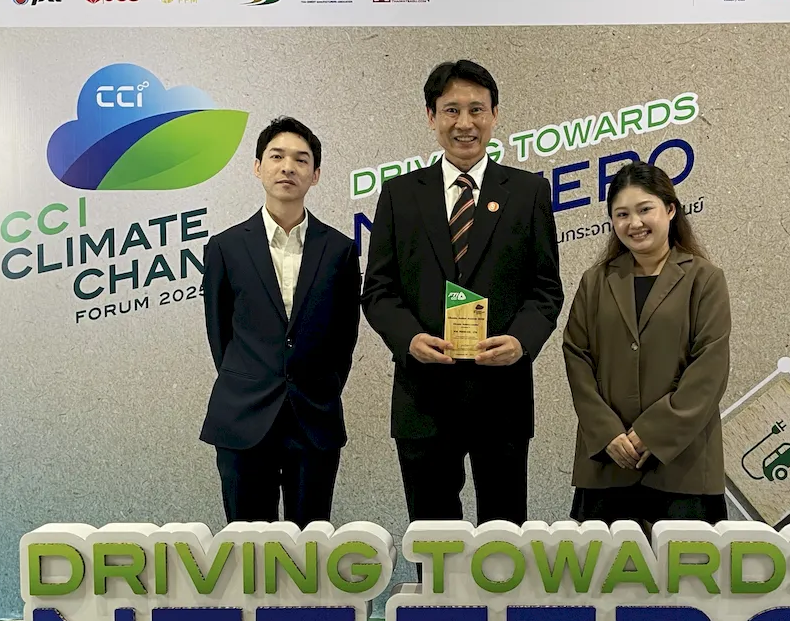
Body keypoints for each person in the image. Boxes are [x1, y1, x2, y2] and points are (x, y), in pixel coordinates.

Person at [362, 60, 564, 527]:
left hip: (502, 395)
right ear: (431, 117)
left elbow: (546, 288)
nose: (465, 123)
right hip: (423, 396)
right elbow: (378, 290)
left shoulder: (529, 192)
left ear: (495, 115)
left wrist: (521, 341)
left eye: (477, 109)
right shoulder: (399, 195)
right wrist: (410, 339)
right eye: (451, 110)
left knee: (504, 536)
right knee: (434, 538)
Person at [200, 116, 361, 527]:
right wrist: (252, 378)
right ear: (258, 167)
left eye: (301, 159)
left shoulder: (340, 250)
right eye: (276, 156)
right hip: (242, 418)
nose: (288, 167)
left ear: (315, 174)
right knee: (249, 550)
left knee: (310, 550)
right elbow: (220, 334)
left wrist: (318, 388)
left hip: (313, 419)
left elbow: (344, 338)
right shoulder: (225, 248)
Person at [562, 161, 731, 528]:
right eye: (622, 214)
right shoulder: (595, 281)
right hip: (608, 462)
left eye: (644, 209)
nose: (634, 223)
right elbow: (577, 357)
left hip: (682, 466)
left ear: (670, 210)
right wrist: (607, 432)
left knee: (682, 567)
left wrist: (652, 433)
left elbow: (709, 368)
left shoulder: (704, 279)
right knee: (603, 566)